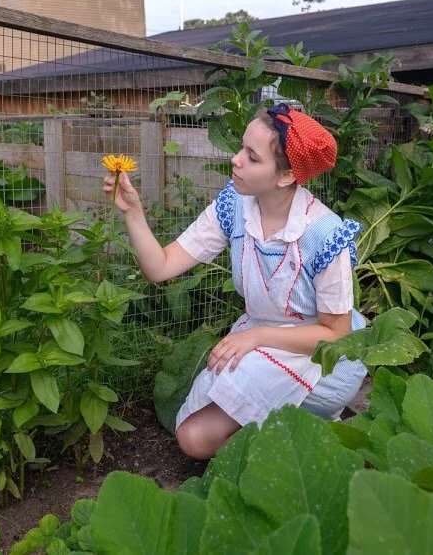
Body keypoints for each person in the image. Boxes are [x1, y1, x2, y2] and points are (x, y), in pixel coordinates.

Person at [103, 103, 367, 459]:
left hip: (321, 358)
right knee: (194, 425)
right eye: (242, 147)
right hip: (260, 341)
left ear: (286, 176)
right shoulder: (236, 207)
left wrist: (255, 337)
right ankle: (299, 438)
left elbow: (337, 335)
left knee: (195, 438)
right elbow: (161, 267)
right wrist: (133, 213)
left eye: (252, 157)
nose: (235, 160)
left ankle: (311, 444)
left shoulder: (324, 234)